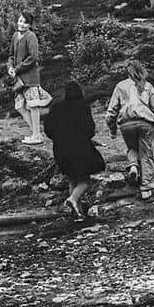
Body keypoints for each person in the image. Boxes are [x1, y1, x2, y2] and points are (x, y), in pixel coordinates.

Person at [44, 82, 106, 220]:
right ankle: (72, 199)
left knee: (73, 179)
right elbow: (90, 129)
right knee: (85, 180)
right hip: (79, 147)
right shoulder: (83, 107)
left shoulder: (56, 107)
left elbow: (48, 129)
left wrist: (58, 138)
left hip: (60, 148)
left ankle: (77, 214)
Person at [106, 60, 154, 200]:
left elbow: (111, 112)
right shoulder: (147, 86)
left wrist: (112, 130)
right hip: (145, 123)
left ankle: (133, 167)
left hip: (126, 124)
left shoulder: (120, 86)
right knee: (145, 154)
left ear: (128, 72)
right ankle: (146, 188)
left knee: (132, 147)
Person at [8, 13, 50, 145]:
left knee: (33, 106)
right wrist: (10, 67)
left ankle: (36, 136)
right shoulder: (15, 36)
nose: (21, 24)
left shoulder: (31, 37)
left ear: (29, 25)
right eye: (20, 21)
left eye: (25, 22)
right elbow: (10, 55)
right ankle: (35, 133)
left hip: (30, 77)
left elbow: (33, 58)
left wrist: (17, 69)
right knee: (20, 106)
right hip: (18, 79)